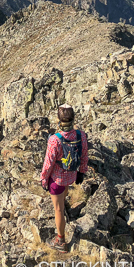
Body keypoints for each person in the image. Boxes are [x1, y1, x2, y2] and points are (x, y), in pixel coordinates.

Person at [40, 104, 89, 252]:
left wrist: (43, 179)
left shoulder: (55, 140)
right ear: (73, 118)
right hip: (72, 175)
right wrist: (82, 171)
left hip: (57, 179)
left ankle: (60, 240)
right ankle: (64, 212)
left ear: (59, 119)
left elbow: (48, 163)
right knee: (63, 197)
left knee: (58, 210)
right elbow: (84, 155)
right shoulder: (81, 135)